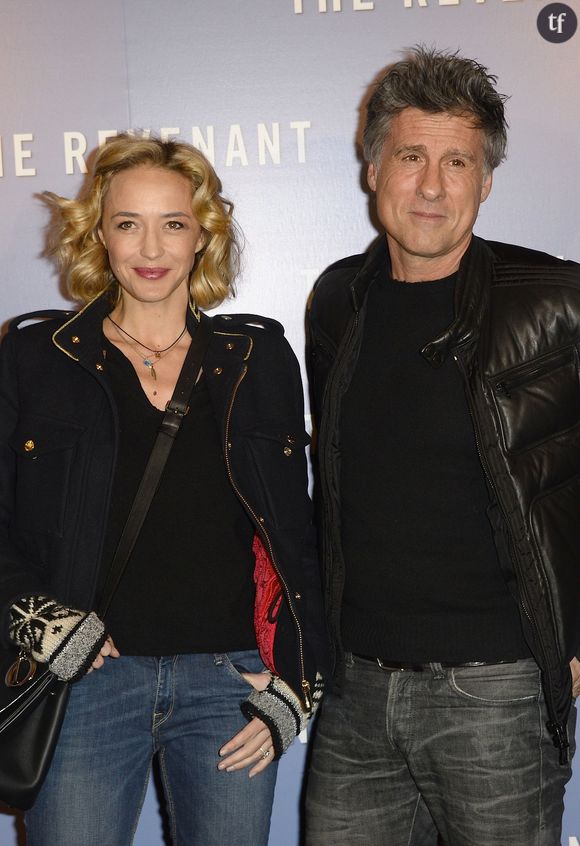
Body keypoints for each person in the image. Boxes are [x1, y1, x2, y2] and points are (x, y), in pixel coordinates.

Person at [0, 134, 327, 846]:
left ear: (202, 235)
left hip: (229, 686)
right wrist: (42, 623)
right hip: (84, 685)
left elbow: (296, 536)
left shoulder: (257, 359)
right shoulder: (36, 358)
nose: (151, 246)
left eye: (173, 223)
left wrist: (298, 685)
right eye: (128, 223)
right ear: (99, 234)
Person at [305, 46, 580, 846]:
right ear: (372, 169)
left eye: (457, 161)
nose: (431, 186)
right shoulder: (337, 302)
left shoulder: (557, 301)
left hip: (495, 696)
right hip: (355, 695)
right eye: (411, 156)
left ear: (485, 181)